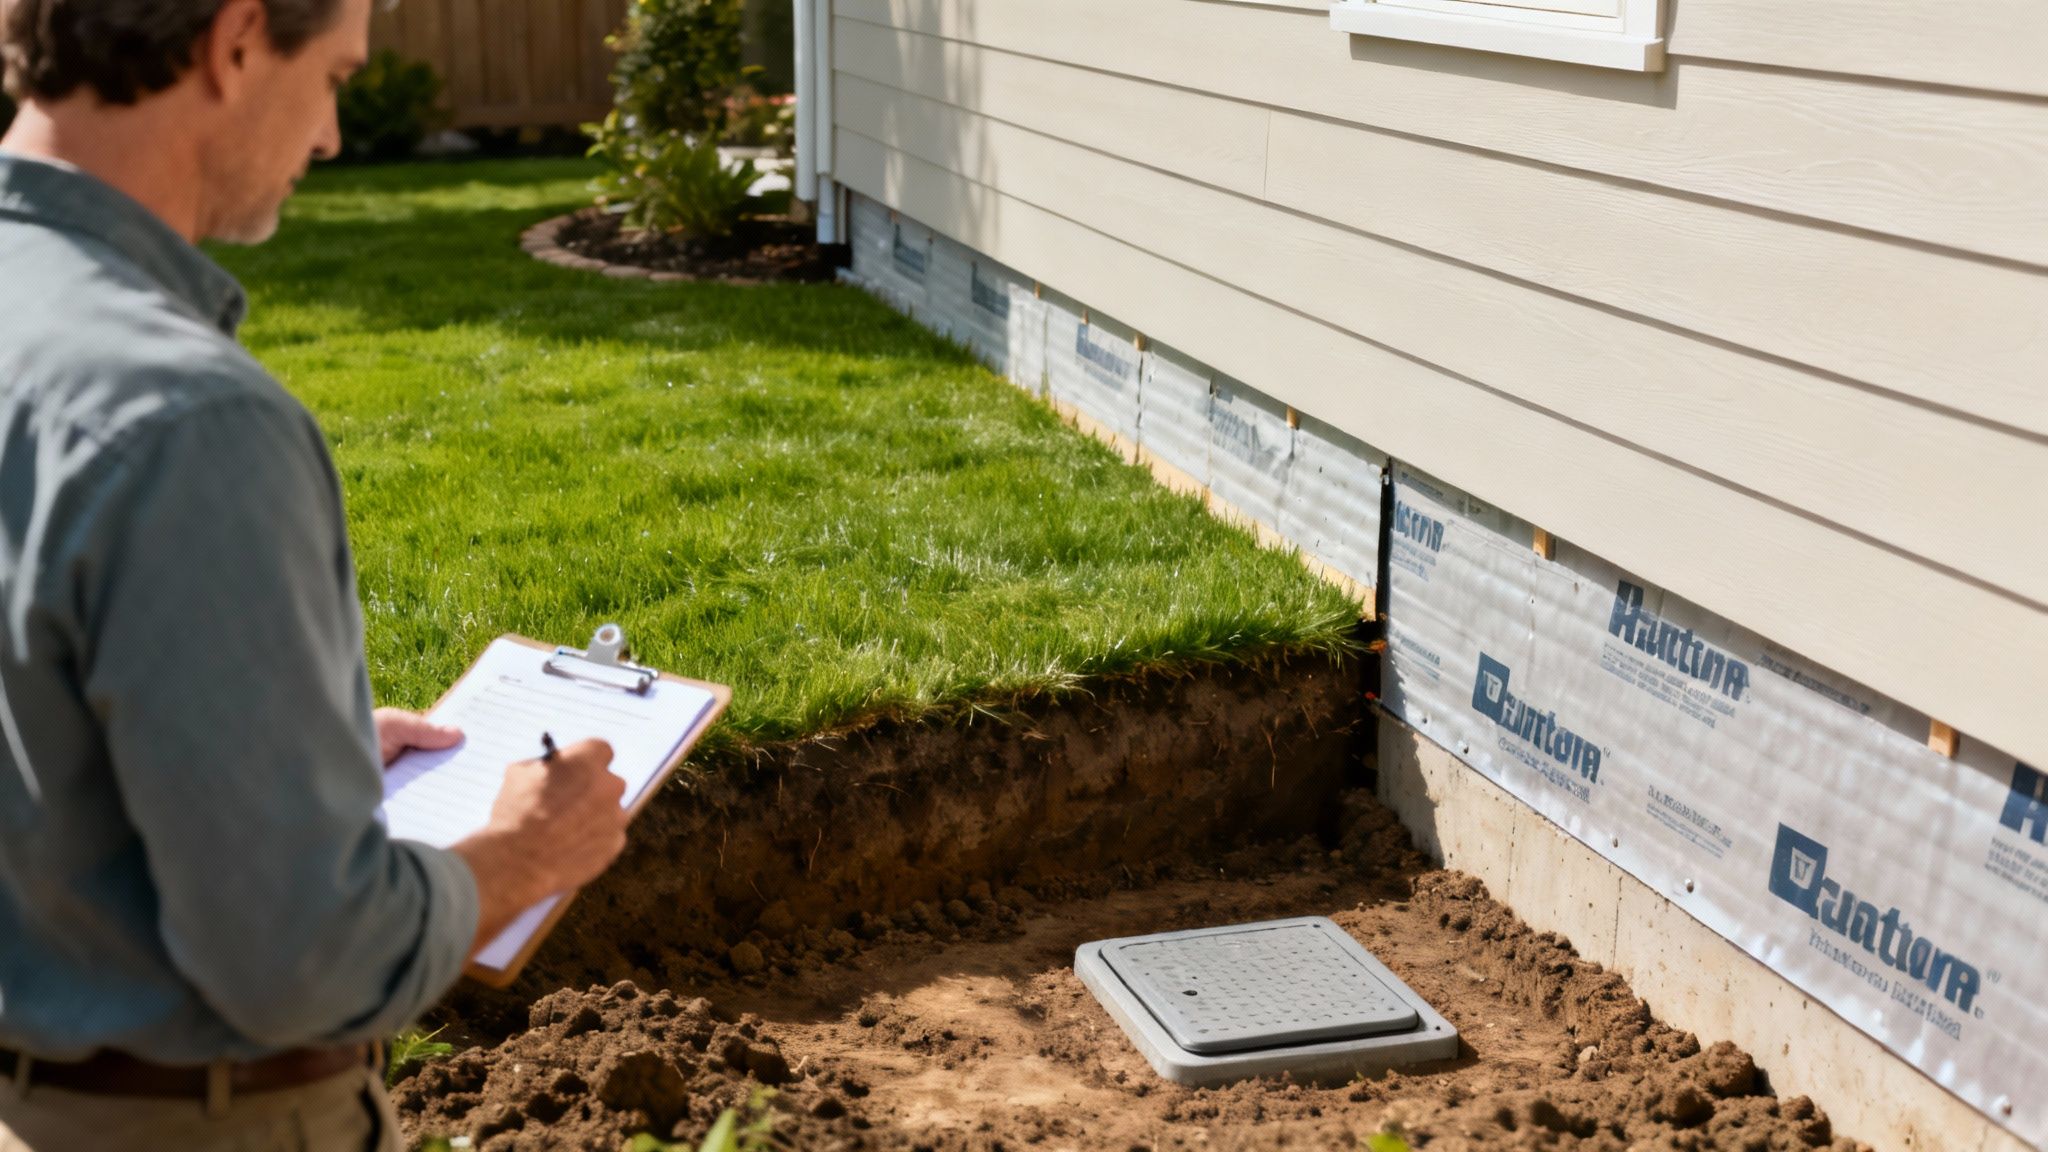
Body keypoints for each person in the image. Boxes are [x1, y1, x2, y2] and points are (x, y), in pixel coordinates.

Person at [0, 0, 636, 1146]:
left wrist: (278, 739)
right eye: (336, 74)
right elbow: (302, 955)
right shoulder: (185, 420)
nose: (334, 134)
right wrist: (521, 854)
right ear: (236, 39)